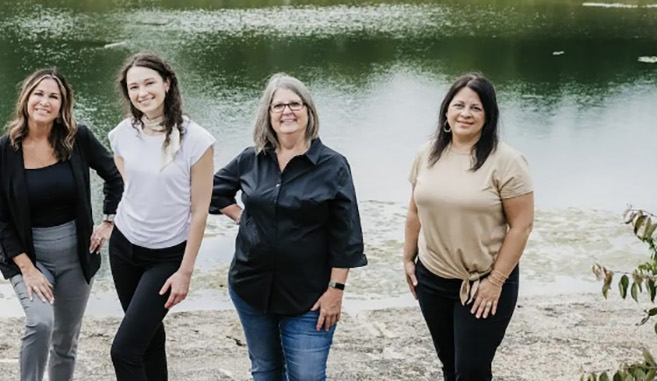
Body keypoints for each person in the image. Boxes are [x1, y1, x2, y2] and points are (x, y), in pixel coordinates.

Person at [211, 73, 368, 380]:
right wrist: (241, 216)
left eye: (295, 104)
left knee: (307, 376)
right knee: (265, 370)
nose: (287, 111)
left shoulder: (333, 166)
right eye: (278, 105)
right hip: (251, 288)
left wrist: (336, 290)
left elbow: (346, 235)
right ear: (267, 116)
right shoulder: (251, 159)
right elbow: (212, 191)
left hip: (309, 296)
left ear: (308, 111)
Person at [0, 68, 123, 381]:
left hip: (77, 255)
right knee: (40, 323)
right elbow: (0, 218)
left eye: (53, 96)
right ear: (26, 99)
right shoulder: (1, 152)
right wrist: (28, 269)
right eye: (38, 93)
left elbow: (115, 176)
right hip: (29, 257)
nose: (44, 101)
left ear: (63, 105)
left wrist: (107, 222)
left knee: (65, 340)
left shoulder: (79, 138)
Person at [404, 73, 533, 381]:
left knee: (472, 370)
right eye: (458, 105)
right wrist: (408, 259)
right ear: (446, 112)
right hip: (432, 278)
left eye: (475, 108)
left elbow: (522, 226)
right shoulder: (427, 154)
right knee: (450, 366)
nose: (465, 113)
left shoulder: (507, 161)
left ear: (488, 116)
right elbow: (414, 211)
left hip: (483, 282)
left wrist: (495, 282)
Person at [105, 52, 215, 381]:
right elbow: (131, 187)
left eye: (149, 83)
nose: (142, 92)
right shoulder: (123, 133)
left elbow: (199, 211)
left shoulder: (197, 141)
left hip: (167, 257)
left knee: (123, 350)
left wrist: (185, 271)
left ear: (167, 84)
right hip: (124, 248)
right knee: (148, 338)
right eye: (134, 87)